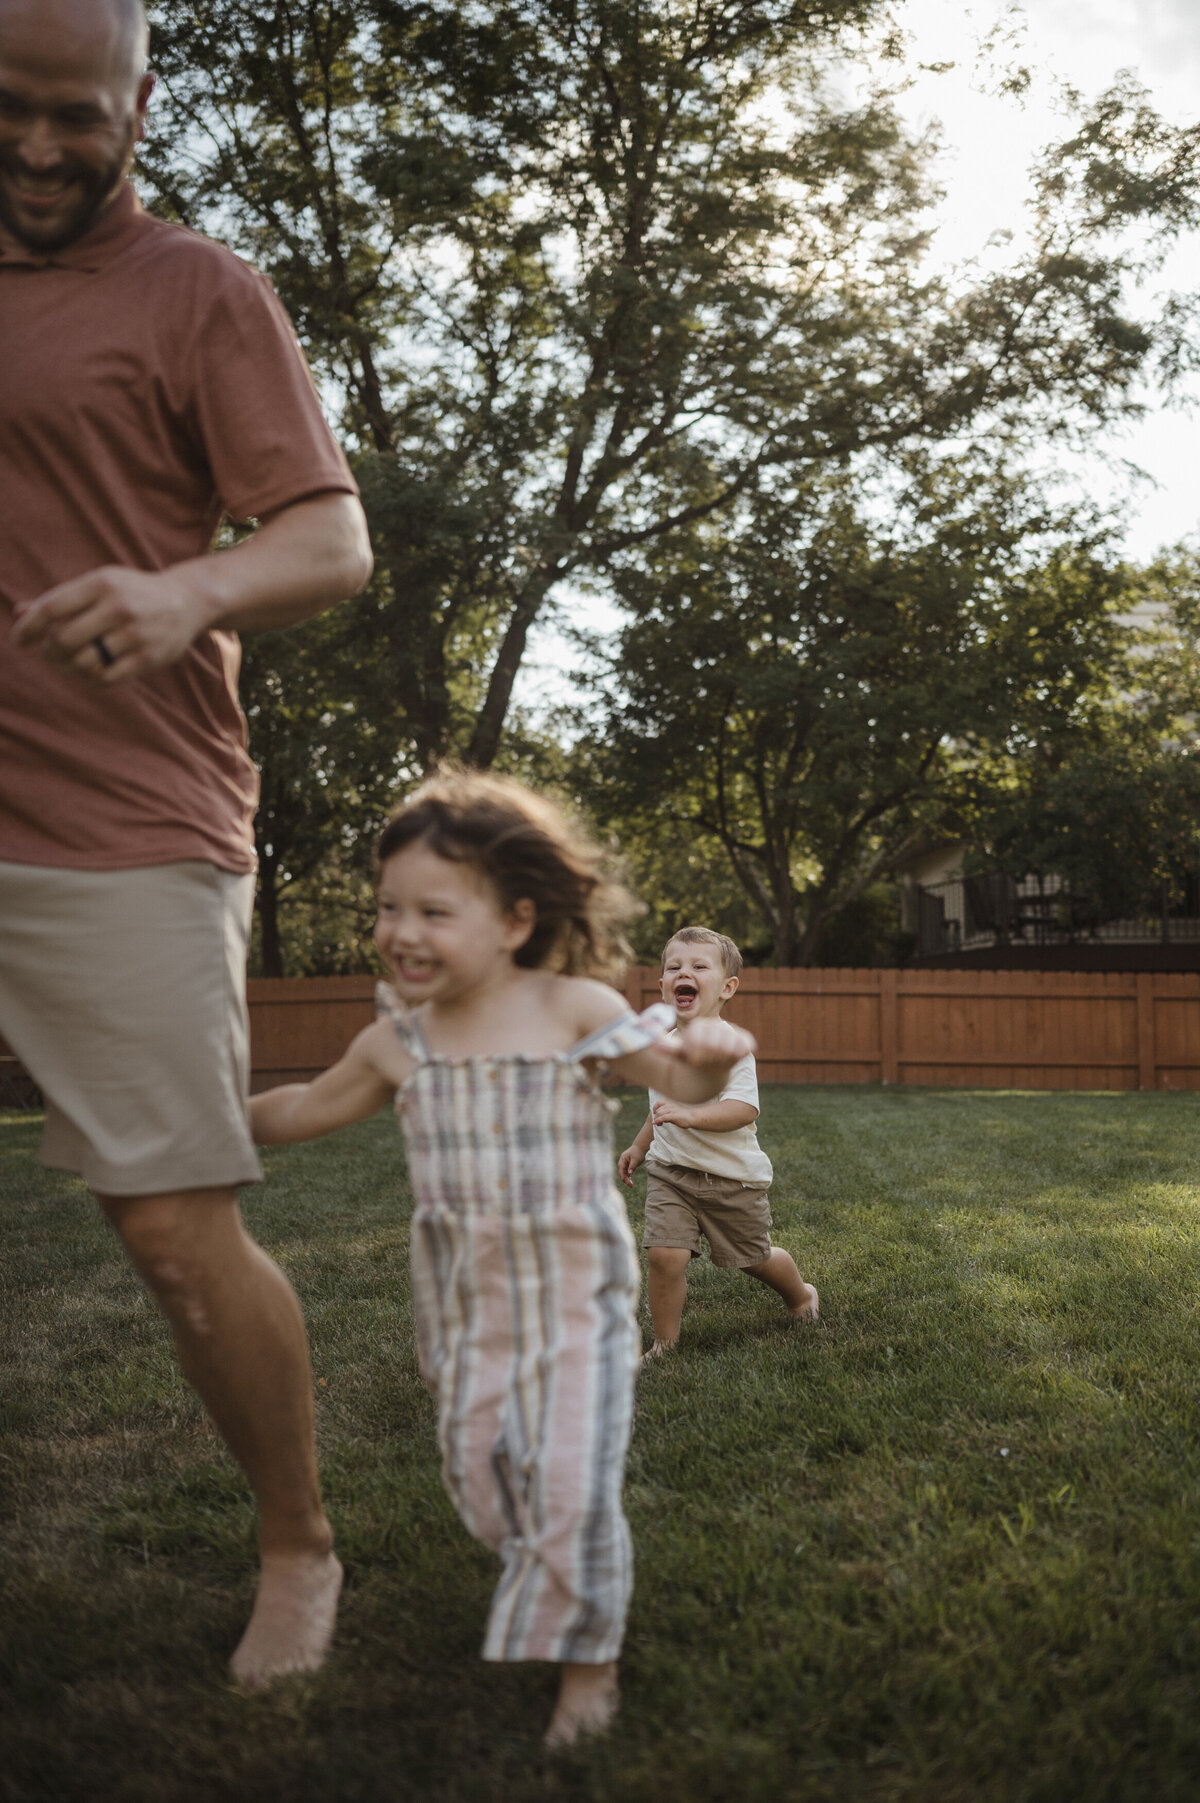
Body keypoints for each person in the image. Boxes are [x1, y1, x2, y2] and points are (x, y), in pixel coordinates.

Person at [0, 0, 374, 1686]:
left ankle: (298, 1540)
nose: (36, 146)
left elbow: (330, 536)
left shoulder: (198, 292)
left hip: (119, 822)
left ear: (139, 101)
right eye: (6, 108)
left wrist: (187, 587)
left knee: (170, 1219)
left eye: (75, 115)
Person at [249, 770, 755, 1746]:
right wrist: (210, 1126)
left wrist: (708, 1050)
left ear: (516, 919)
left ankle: (588, 1664)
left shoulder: (570, 1007)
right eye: (388, 907)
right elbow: (306, 1105)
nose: (400, 929)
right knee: (484, 1483)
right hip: (467, 1312)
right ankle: (543, 1557)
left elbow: (672, 1065)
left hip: (576, 1305)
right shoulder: (401, 1040)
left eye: (433, 910)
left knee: (568, 1482)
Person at [618, 927, 819, 1357]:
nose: (683, 972)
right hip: (671, 1173)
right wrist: (639, 1146)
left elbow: (743, 1109)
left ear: (727, 987)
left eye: (697, 966)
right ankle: (665, 1344)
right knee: (663, 1256)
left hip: (731, 1180)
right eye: (674, 967)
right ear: (663, 986)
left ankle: (801, 1295)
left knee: (754, 1259)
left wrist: (691, 1116)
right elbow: (660, 1107)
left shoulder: (731, 1049)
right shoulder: (664, 1048)